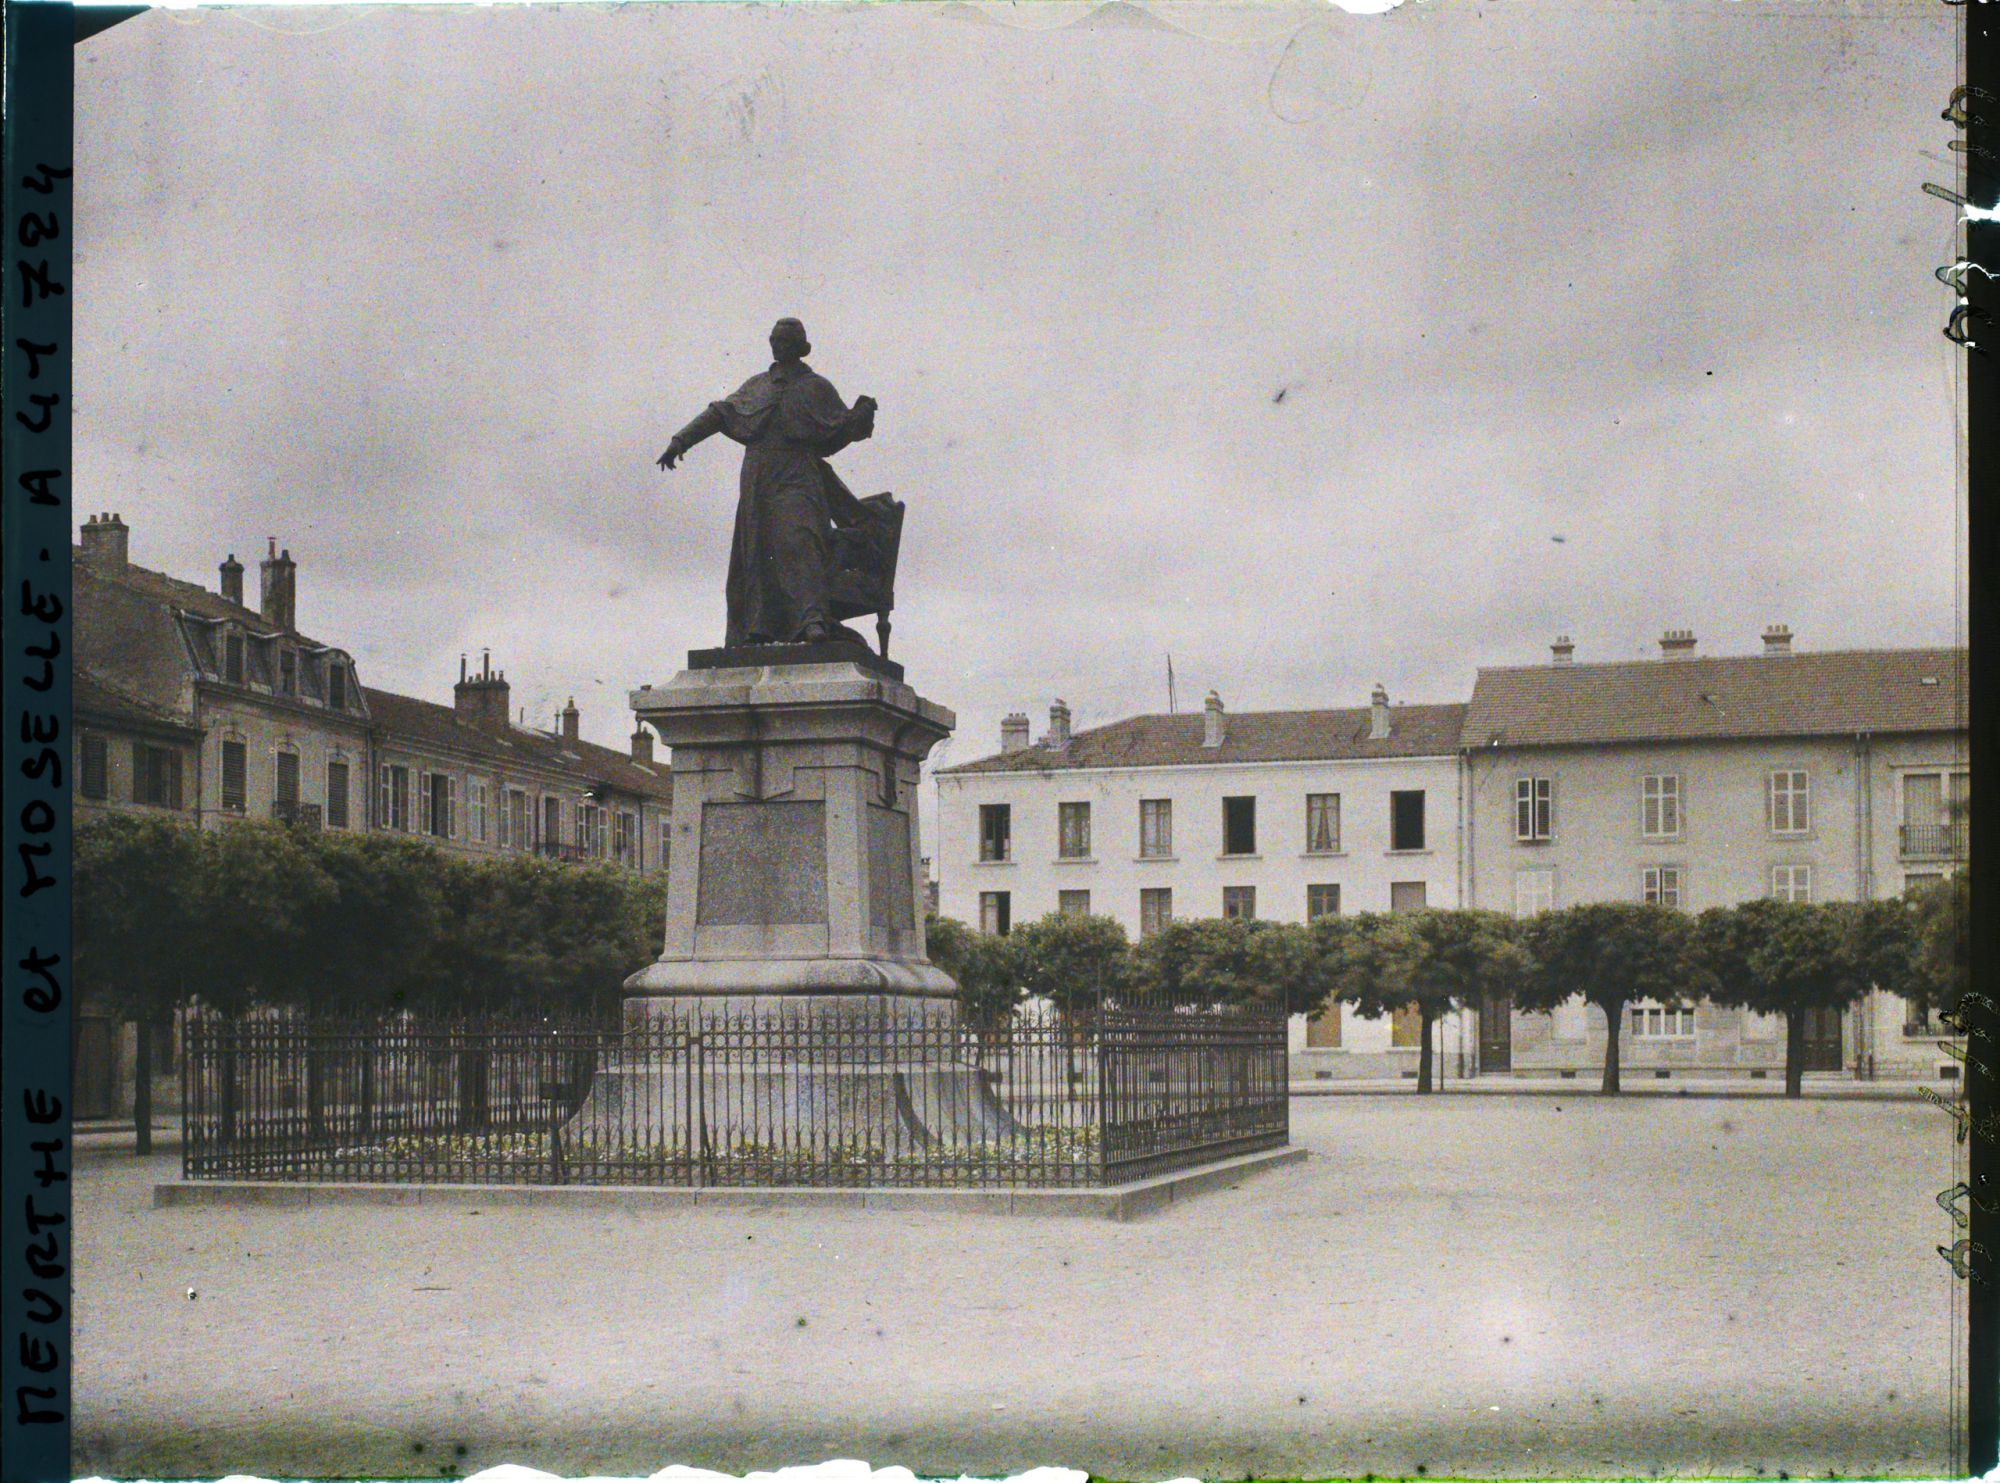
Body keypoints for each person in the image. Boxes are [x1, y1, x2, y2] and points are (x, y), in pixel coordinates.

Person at [658, 318, 877, 647]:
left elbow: (841, 426)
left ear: (799, 346)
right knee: (758, 548)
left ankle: (813, 620)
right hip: (758, 474)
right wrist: (681, 441)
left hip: (798, 472)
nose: (778, 345)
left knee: (802, 538)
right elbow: (719, 414)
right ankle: (758, 627)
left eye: (785, 339)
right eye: (774, 339)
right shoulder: (756, 385)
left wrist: (860, 417)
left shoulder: (817, 387)